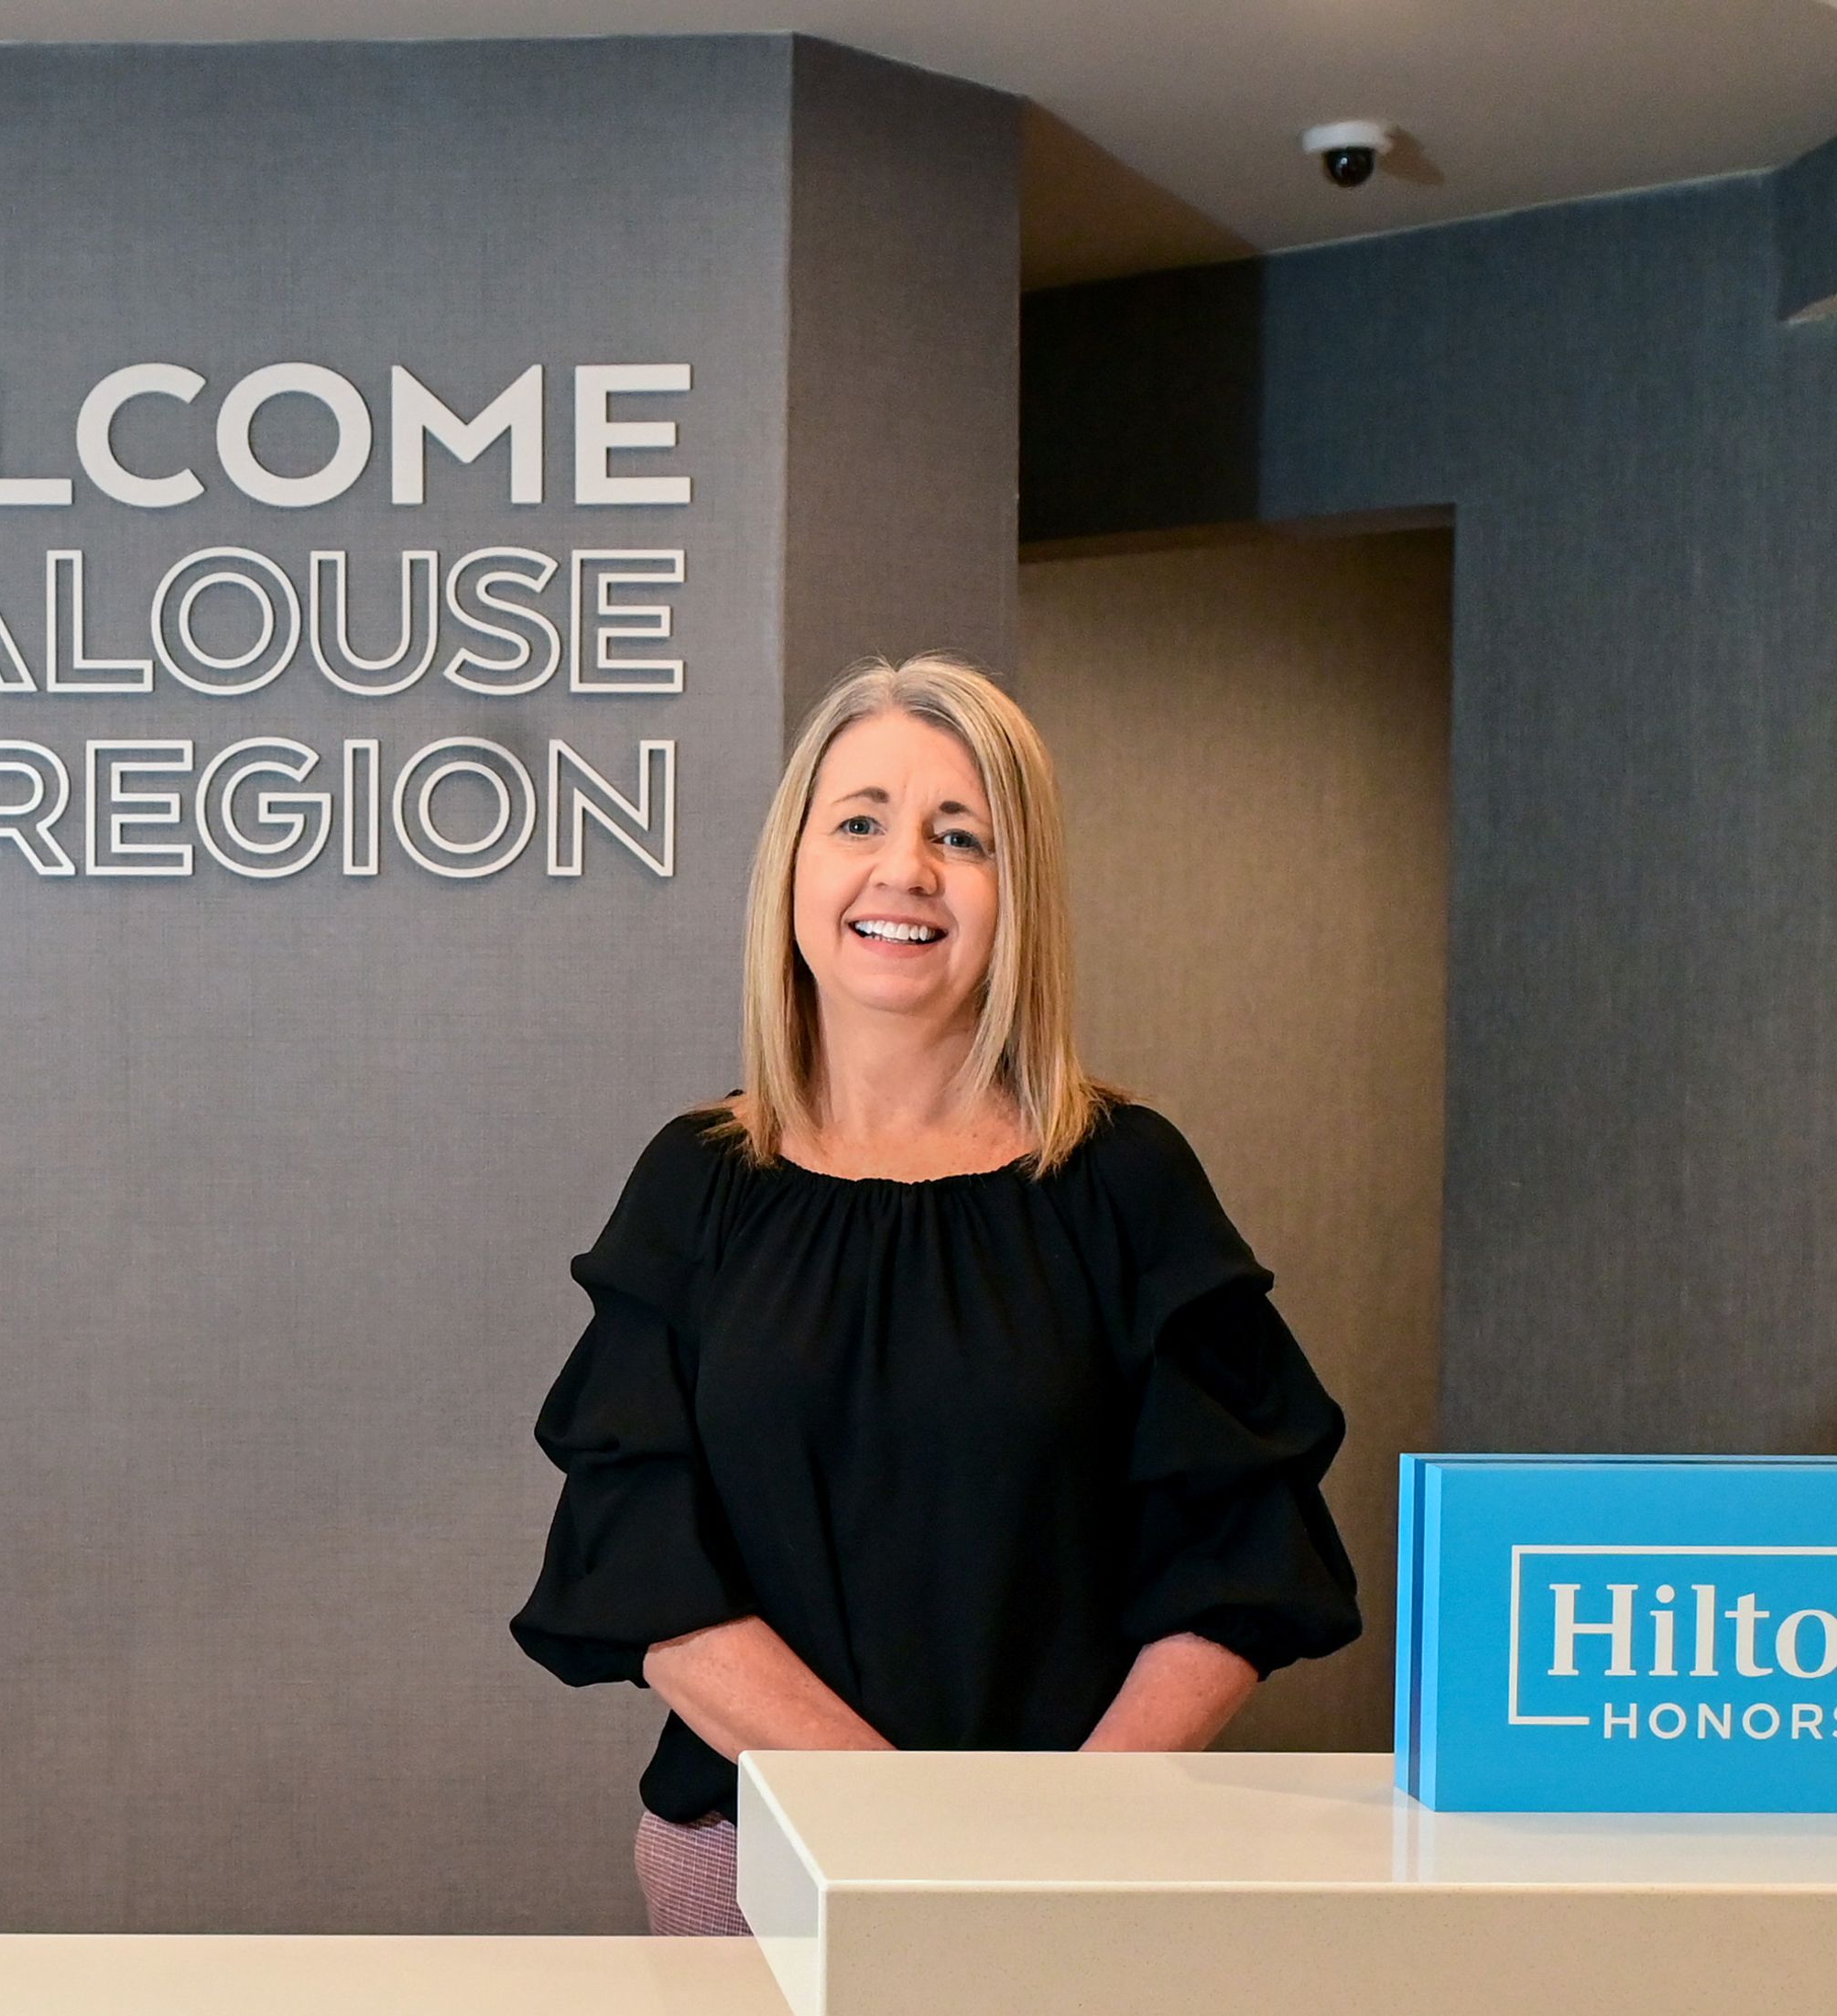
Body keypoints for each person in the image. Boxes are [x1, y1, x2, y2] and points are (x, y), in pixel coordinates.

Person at [510, 653, 1364, 1935]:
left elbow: (1243, 1557)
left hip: (1069, 1888)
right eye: (859, 821)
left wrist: (1046, 1850)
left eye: (961, 837)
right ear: (794, 866)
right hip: (753, 1869)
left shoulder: (1123, 1179)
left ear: (1018, 892)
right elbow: (644, 1570)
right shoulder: (694, 1184)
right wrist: (905, 1835)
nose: (903, 869)